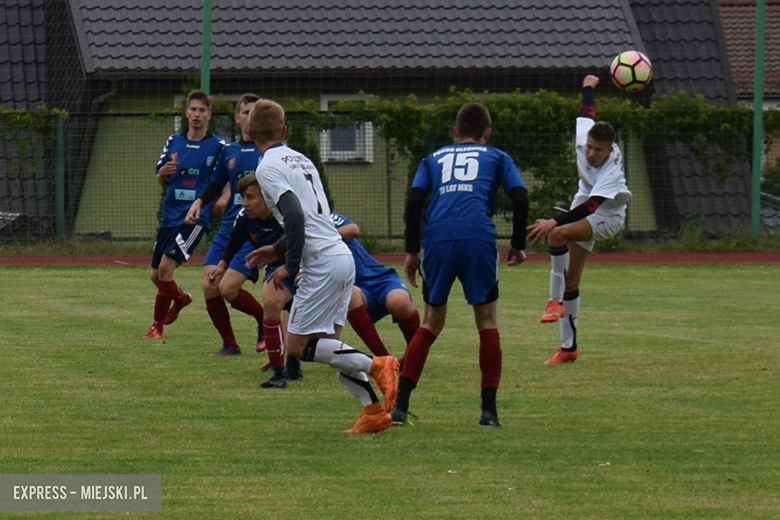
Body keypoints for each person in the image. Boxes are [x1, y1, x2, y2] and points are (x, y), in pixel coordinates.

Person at [244, 99, 399, 434]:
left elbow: (297, 215)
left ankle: (378, 365)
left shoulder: (266, 167)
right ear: (284, 131)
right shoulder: (302, 160)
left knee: (298, 347)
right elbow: (314, 219)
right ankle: (372, 411)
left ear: (249, 133)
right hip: (341, 257)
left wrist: (290, 263)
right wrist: (278, 248)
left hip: (321, 264)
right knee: (332, 345)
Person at [391, 102, 529, 428]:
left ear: (455, 133)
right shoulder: (496, 156)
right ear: (487, 133)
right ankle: (488, 412)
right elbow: (520, 196)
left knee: (430, 323)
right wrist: (518, 244)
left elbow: (413, 202)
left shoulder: (433, 158)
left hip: (437, 238)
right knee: (487, 321)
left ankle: (400, 406)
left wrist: (412, 251)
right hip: (478, 237)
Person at [526, 75, 632, 365]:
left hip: (606, 215)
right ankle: (568, 347)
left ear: (610, 150)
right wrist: (588, 87)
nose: (591, 153)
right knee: (572, 279)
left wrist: (555, 222)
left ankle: (554, 301)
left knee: (557, 235)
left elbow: (593, 207)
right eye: (590, 147)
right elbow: (587, 113)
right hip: (583, 199)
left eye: (598, 150)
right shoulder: (584, 141)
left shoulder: (612, 170)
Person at [185, 94, 267, 356]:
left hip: (254, 230)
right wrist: (199, 201)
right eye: (245, 112)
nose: (249, 117)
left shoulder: (269, 151)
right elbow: (216, 184)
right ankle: (230, 344)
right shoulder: (229, 151)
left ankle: (265, 320)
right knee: (210, 284)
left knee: (228, 287)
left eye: (255, 113)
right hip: (229, 228)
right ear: (238, 117)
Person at [143, 90, 225, 340]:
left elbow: (222, 181)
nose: (197, 114)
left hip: (194, 219)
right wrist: (162, 174)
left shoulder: (218, 147)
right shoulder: (173, 141)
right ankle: (181, 298)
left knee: (166, 269)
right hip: (170, 215)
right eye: (193, 110)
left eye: (202, 110)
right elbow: (160, 177)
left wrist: (218, 204)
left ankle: (157, 327)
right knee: (156, 275)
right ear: (187, 113)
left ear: (208, 115)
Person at [209, 173, 303, 387]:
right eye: (243, 197)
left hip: (305, 267)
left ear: (268, 197)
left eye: (251, 197)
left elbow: (303, 241)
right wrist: (222, 265)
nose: (245, 203)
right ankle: (280, 374)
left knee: (313, 333)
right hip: (278, 267)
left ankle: (378, 362)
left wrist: (294, 268)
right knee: (272, 302)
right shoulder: (244, 218)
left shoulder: (286, 216)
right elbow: (235, 240)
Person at [331, 212, 420, 357]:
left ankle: (414, 356)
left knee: (399, 302)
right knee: (350, 295)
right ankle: (385, 361)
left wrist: (325, 242)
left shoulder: (329, 218)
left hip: (381, 278)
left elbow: (353, 229)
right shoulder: (299, 232)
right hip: (357, 288)